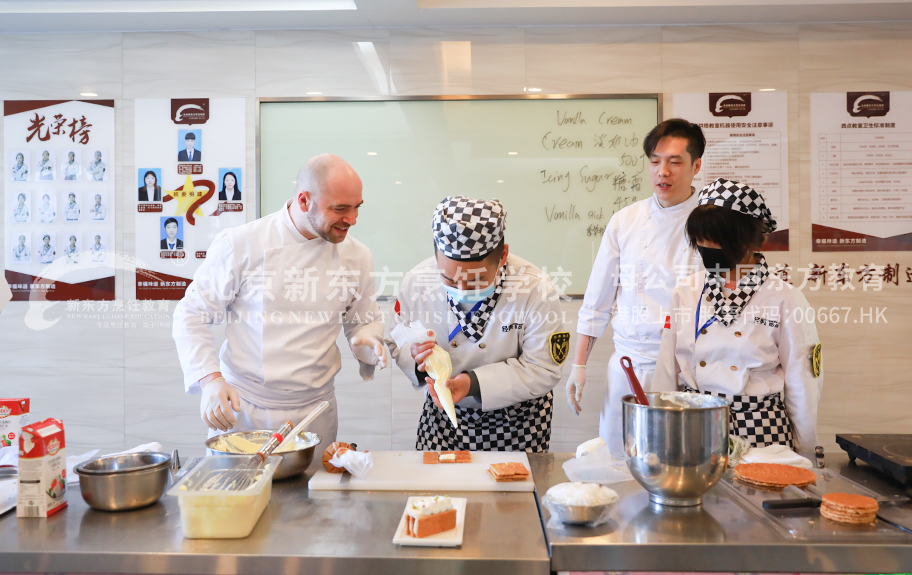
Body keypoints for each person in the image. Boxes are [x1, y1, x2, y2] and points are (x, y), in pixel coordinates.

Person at [172, 154, 387, 466]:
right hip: (246, 412)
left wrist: (368, 340)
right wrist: (210, 380)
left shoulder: (358, 256)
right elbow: (191, 313)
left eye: (357, 207)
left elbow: (364, 322)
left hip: (315, 414)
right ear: (304, 200)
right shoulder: (242, 244)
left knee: (311, 511)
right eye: (340, 208)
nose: (352, 219)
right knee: (239, 506)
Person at [654, 178, 822, 460]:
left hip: (761, 431)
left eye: (714, 238)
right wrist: (659, 429)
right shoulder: (687, 291)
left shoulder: (784, 298)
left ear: (746, 240)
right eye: (699, 239)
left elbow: (802, 382)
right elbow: (666, 369)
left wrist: (807, 451)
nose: (705, 246)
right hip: (694, 423)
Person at [568, 118, 706, 456]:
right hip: (627, 365)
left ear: (696, 166)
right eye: (655, 161)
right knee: (619, 462)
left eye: (675, 162)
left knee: (679, 463)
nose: (663, 172)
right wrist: (579, 365)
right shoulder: (625, 221)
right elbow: (597, 300)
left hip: (684, 369)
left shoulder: (711, 221)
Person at [387, 196, 565, 452]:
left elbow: (543, 368)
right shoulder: (417, 281)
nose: (461, 289)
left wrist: (472, 383)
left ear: (502, 256)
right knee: (436, 488)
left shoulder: (535, 289)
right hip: (443, 418)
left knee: (510, 490)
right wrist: (417, 360)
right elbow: (397, 339)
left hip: (518, 423)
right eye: (448, 279)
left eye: (475, 281)